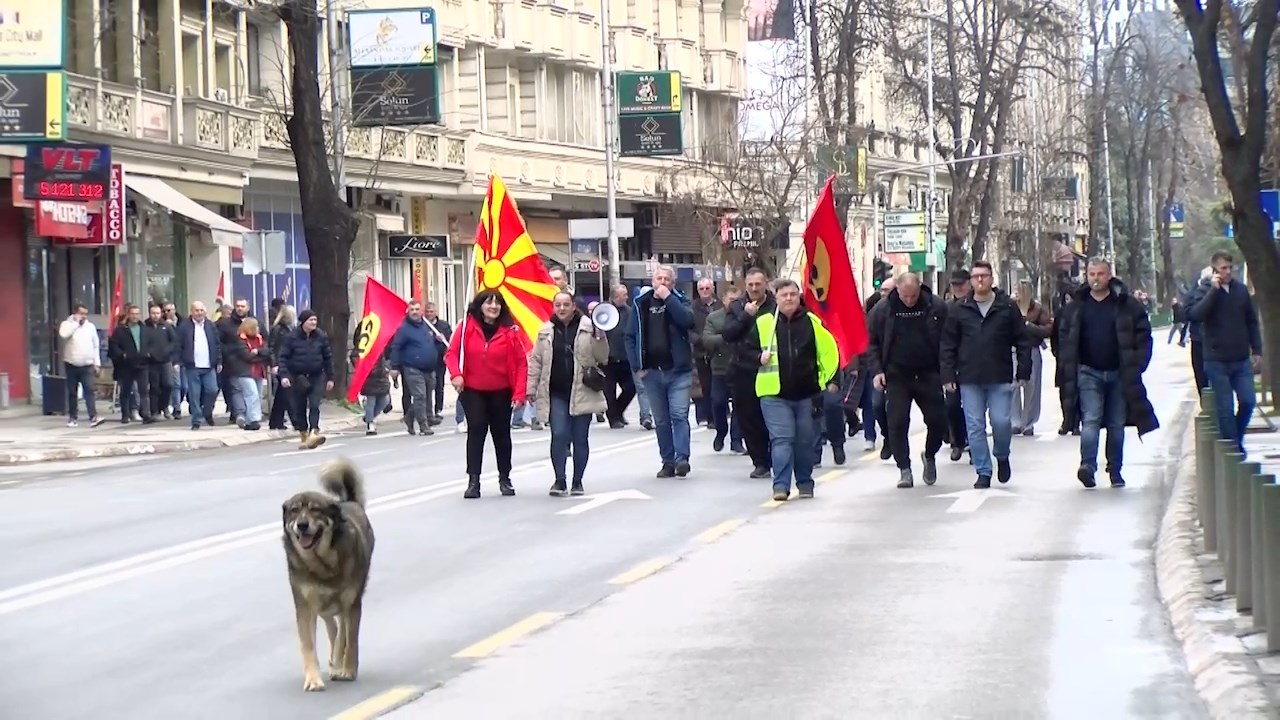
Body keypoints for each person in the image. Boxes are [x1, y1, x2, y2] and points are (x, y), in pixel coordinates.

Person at [1055, 258, 1159, 488]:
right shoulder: (1077, 306)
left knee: (1116, 424)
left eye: (1100, 274)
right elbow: (1062, 336)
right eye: (1092, 274)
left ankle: (1115, 469)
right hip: (1088, 372)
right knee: (1090, 419)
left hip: (1119, 373)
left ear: (1109, 275)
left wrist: (1137, 364)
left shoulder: (1126, 304)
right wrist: (1067, 361)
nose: (1096, 278)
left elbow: (1143, 335)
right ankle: (1087, 466)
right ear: (1086, 276)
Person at [744, 279, 839, 501]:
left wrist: (830, 380)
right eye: (784, 295)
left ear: (799, 297)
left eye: (793, 294)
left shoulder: (812, 323)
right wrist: (758, 357)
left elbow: (829, 352)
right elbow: (744, 352)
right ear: (776, 298)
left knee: (804, 441)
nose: (789, 299)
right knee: (782, 439)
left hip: (806, 393)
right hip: (773, 393)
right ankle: (781, 486)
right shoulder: (764, 323)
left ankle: (805, 482)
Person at [940, 260, 1031, 489]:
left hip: (999, 374)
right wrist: (948, 374)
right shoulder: (959, 309)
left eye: (984, 276)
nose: (980, 280)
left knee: (1001, 422)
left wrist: (1023, 370)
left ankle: (1002, 454)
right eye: (976, 276)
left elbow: (1022, 340)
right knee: (975, 426)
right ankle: (983, 470)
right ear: (971, 281)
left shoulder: (1006, 307)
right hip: (969, 377)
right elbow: (948, 344)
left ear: (992, 279)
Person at [866, 273, 949, 488]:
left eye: (913, 296)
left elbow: (948, 340)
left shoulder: (936, 307)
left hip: (929, 372)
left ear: (920, 288)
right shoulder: (883, 310)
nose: (910, 300)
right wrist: (877, 371)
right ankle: (904, 468)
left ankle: (929, 454)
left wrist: (948, 372)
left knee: (938, 420)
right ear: (897, 290)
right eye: (905, 296)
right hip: (897, 374)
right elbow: (871, 343)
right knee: (897, 422)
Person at [445, 290, 529, 499]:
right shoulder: (466, 327)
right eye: (489, 303)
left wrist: (519, 394)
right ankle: (473, 481)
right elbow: (451, 354)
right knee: (476, 431)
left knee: (502, 435)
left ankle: (505, 478)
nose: (493, 307)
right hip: (473, 390)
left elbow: (521, 364)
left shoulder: (510, 331)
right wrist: (456, 374)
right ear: (480, 306)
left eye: (497, 303)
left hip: (501, 390)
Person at [527, 292, 610, 496]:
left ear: (574, 306)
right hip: (556, 391)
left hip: (582, 391)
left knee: (580, 438)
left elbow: (603, 357)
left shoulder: (589, 327)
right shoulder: (545, 331)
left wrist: (600, 337)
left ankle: (577, 481)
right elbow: (536, 360)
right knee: (559, 435)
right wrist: (531, 388)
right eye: (558, 305)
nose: (562, 308)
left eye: (566, 304)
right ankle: (559, 480)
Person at [1185, 251, 1263, 454]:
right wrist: (1214, 290)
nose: (1228, 272)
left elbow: (1251, 321)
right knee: (1225, 409)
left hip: (1240, 358)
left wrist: (1257, 349)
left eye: (1230, 268)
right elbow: (1196, 314)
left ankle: (1235, 438)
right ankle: (1233, 450)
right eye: (1223, 268)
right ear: (1214, 271)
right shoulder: (1204, 290)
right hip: (1216, 360)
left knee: (1248, 401)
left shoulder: (1241, 290)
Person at [626, 264, 696, 478]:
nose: (662, 282)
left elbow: (687, 320)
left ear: (673, 283)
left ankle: (682, 458)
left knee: (679, 415)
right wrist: (637, 366)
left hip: (678, 371)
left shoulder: (680, 300)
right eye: (659, 279)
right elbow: (630, 336)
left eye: (667, 279)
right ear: (652, 281)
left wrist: (668, 298)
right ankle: (667, 461)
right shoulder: (641, 304)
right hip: (652, 372)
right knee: (662, 420)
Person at [719, 268, 777, 478]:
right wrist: (745, 316)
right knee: (749, 418)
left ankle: (776, 457)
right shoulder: (737, 307)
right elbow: (728, 334)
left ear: (765, 284)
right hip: (744, 370)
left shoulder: (776, 306)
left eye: (758, 284)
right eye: (750, 285)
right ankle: (760, 462)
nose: (754, 288)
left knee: (772, 418)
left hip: (772, 370)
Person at [278, 309, 334, 450]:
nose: (314, 323)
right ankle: (304, 434)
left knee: (315, 404)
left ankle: (314, 431)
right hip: (298, 376)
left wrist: (330, 377)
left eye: (315, 320)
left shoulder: (321, 336)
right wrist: (284, 376)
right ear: (303, 322)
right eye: (311, 320)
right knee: (300, 407)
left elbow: (328, 358)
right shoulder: (292, 337)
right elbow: (283, 358)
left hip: (316, 375)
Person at [701, 286, 745, 453]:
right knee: (718, 402)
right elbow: (707, 339)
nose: (733, 303)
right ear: (724, 300)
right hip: (720, 367)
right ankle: (721, 431)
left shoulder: (743, 316)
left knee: (739, 406)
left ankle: (736, 440)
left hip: (740, 366)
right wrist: (727, 336)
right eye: (730, 300)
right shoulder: (714, 317)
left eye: (736, 300)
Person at [388, 300, 441, 437]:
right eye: (412, 310)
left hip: (429, 368)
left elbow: (429, 343)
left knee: (426, 396)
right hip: (413, 368)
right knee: (420, 396)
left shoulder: (426, 325)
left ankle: (410, 417)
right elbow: (396, 347)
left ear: (421, 310)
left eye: (417, 309)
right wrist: (394, 367)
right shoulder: (404, 329)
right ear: (408, 311)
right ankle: (423, 425)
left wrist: (438, 340)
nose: (415, 312)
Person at [1010, 279, 1054, 436]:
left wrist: (1030, 326)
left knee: (1032, 387)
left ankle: (1028, 422)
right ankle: (1015, 421)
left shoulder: (1038, 309)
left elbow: (1048, 329)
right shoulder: (1010, 306)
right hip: (1013, 350)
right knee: (1013, 386)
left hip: (1032, 349)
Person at [58, 303, 105, 427]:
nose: (83, 316)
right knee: (72, 392)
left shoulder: (90, 327)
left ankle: (93, 416)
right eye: (81, 313)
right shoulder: (67, 324)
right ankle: (72, 418)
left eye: (85, 314)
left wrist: (97, 363)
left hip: (87, 364)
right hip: (71, 363)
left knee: (89, 390)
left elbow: (95, 345)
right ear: (75, 313)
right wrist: (75, 324)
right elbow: (64, 334)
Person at [108, 304, 156, 424]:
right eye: (132, 314)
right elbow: (114, 345)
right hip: (127, 364)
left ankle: (146, 414)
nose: (135, 316)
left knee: (144, 390)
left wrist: (149, 353)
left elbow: (152, 343)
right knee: (126, 391)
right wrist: (122, 355)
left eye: (137, 314)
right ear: (128, 315)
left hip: (142, 363)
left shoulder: (145, 329)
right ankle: (125, 414)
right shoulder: (120, 330)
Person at [178, 300, 221, 430]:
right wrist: (178, 361)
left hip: (209, 365)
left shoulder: (210, 325)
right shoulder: (184, 327)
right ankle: (196, 419)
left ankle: (207, 412)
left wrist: (219, 361)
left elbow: (217, 344)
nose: (199, 313)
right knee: (194, 394)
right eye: (197, 310)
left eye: (201, 310)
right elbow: (178, 345)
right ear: (191, 312)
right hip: (192, 366)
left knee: (212, 390)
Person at [223, 317, 270, 431]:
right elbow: (247, 356)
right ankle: (254, 419)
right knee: (252, 395)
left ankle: (249, 420)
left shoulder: (259, 338)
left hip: (258, 371)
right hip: (244, 372)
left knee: (257, 396)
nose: (258, 329)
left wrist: (257, 351)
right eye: (256, 326)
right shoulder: (239, 339)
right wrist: (260, 356)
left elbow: (267, 351)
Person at [943, 270, 971, 460]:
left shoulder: (976, 306)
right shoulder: (946, 309)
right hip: (953, 365)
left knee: (973, 409)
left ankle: (974, 445)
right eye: (954, 285)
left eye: (961, 284)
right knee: (952, 405)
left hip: (974, 365)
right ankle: (958, 441)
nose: (958, 288)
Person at [603, 284, 638, 429]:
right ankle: (614, 419)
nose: (624, 298)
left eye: (625, 295)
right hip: (608, 359)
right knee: (609, 392)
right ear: (613, 297)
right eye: (621, 295)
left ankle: (618, 411)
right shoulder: (604, 311)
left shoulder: (630, 312)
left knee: (631, 387)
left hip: (625, 358)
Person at [691, 277, 722, 427]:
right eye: (701, 289)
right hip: (701, 353)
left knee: (719, 386)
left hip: (719, 351)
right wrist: (699, 340)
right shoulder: (692, 308)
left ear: (713, 289)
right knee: (706, 386)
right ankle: (710, 417)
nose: (704, 291)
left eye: (707, 288)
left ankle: (720, 415)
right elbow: (688, 329)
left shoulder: (720, 305)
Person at [1180, 266, 1214, 396]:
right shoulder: (1195, 293)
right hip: (1199, 339)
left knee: (1205, 381)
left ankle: (1207, 402)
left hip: (1204, 340)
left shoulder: (1225, 290)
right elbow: (1189, 313)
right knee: (1204, 380)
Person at [267, 305, 300, 431]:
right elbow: (272, 348)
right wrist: (274, 364)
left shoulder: (292, 329)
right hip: (281, 364)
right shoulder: (278, 329)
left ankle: (275, 421)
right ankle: (296, 421)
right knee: (288, 393)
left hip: (290, 363)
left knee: (282, 394)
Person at [143, 304, 176, 420]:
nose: (155, 316)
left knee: (168, 385)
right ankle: (155, 411)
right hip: (151, 362)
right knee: (154, 387)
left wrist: (168, 351)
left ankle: (165, 406)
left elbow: (174, 341)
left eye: (157, 313)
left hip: (165, 361)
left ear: (161, 314)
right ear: (149, 314)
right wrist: (147, 352)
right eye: (153, 313)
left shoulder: (166, 326)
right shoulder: (145, 326)